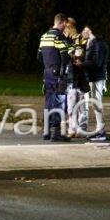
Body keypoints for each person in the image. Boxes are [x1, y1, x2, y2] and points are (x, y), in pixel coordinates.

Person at [38, 13, 72, 141]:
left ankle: (46, 132)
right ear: (62, 22)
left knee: (48, 102)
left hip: (47, 74)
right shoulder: (59, 37)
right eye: (66, 25)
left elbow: (39, 56)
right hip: (58, 74)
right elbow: (65, 56)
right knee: (59, 102)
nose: (65, 27)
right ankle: (55, 133)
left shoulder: (44, 36)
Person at [81, 25, 109, 141]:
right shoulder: (92, 42)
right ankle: (99, 130)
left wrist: (81, 64)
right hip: (94, 77)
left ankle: (101, 132)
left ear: (90, 30)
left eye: (85, 30)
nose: (83, 32)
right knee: (95, 104)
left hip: (97, 78)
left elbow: (97, 63)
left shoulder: (98, 44)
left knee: (97, 104)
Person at [64, 18, 89, 137]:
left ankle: (81, 129)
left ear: (72, 27)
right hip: (71, 77)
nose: (66, 30)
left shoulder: (82, 39)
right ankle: (72, 129)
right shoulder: (66, 40)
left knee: (82, 105)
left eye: (68, 27)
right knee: (71, 105)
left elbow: (84, 54)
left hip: (81, 77)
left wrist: (77, 56)